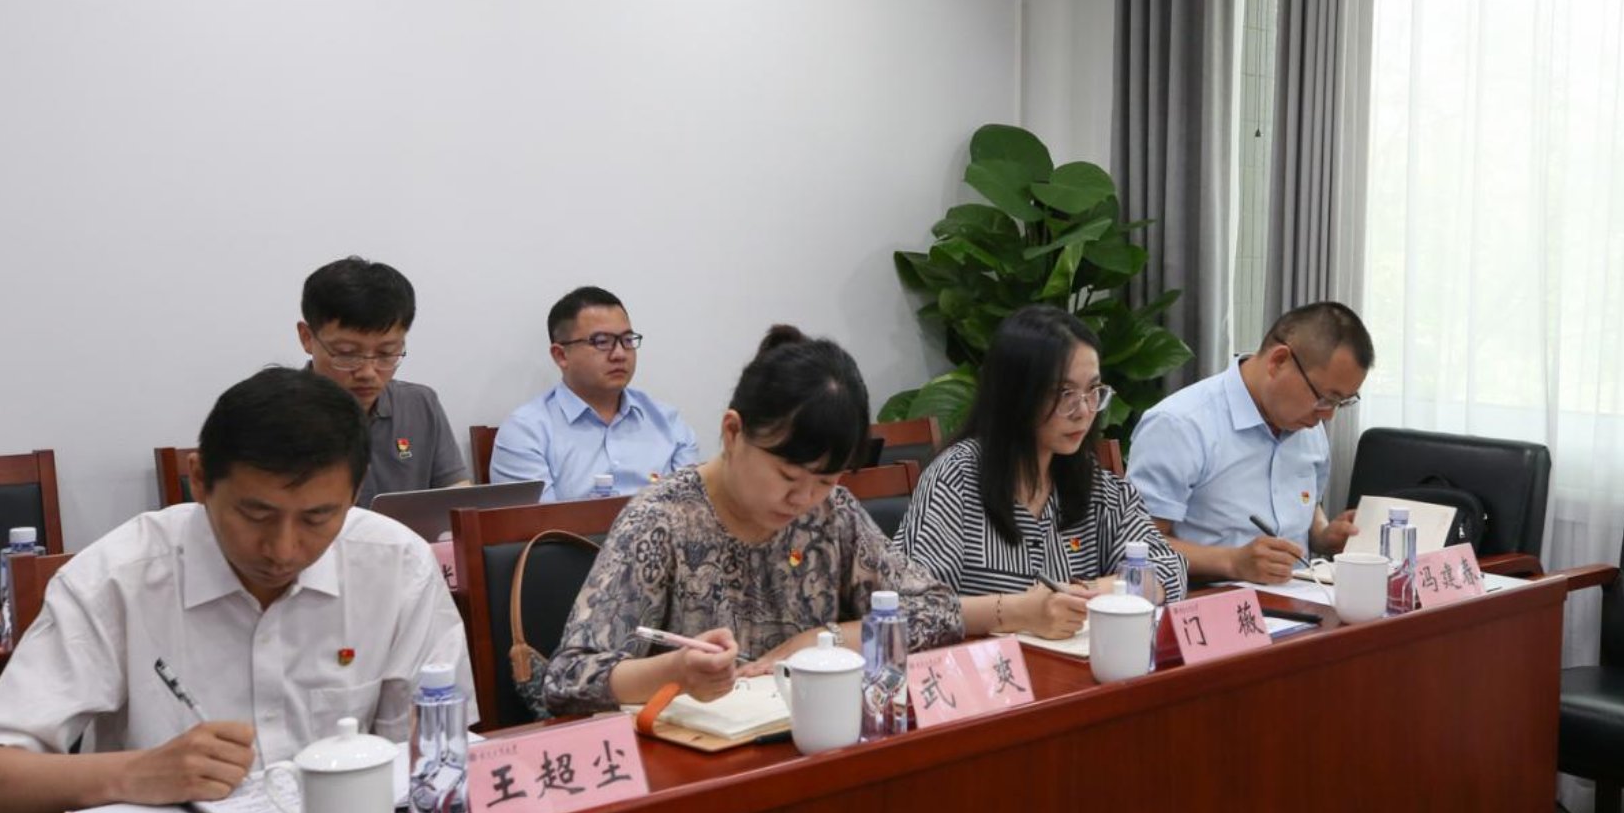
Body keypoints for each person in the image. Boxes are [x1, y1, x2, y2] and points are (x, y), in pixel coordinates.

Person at [0, 368, 475, 813]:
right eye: (256, 515)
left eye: (317, 518)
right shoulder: (117, 580)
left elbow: (441, 751)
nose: (283, 549)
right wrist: (136, 773)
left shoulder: (396, 564)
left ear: (354, 495)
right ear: (199, 480)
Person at [544, 326, 964, 714]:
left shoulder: (832, 512)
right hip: (697, 752)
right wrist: (676, 671)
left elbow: (938, 611)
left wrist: (821, 642)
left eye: (824, 480)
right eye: (787, 476)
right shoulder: (661, 520)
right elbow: (567, 678)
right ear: (732, 432)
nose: (802, 499)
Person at [896, 307, 1185, 636]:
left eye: (1093, 391)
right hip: (987, 665)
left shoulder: (1094, 483)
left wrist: (1086, 592)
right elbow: (913, 607)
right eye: (1064, 394)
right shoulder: (956, 478)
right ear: (1016, 394)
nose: (1083, 411)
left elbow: (1170, 568)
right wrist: (1020, 612)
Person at [1127, 301, 1374, 584]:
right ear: (1278, 361)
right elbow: (1139, 545)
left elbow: (1306, 503)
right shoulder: (1180, 424)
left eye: (1341, 402)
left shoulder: (1306, 424)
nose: (1328, 415)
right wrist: (1232, 562)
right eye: (1325, 398)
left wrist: (1323, 535)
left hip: (1302, 595)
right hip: (1210, 598)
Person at [490, 286, 700, 501]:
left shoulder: (669, 423)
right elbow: (539, 522)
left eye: (627, 340)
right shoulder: (526, 433)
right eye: (602, 342)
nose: (619, 354)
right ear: (561, 355)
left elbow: (694, 509)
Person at [298, 256, 468, 506]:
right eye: (347, 353)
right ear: (307, 338)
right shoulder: (274, 416)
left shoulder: (419, 404)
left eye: (386, 353)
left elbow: (458, 497)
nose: (368, 372)